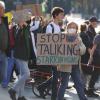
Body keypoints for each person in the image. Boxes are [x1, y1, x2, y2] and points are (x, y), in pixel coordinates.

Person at [37, 7, 64, 100]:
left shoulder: (58, 27)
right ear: (56, 15)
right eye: (61, 14)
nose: (62, 16)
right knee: (56, 76)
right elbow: (49, 43)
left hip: (57, 54)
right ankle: (54, 97)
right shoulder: (50, 27)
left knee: (57, 76)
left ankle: (41, 87)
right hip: (52, 55)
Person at [57, 22, 87, 100]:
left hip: (75, 65)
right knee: (64, 84)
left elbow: (83, 48)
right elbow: (61, 49)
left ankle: (83, 98)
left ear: (77, 29)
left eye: (74, 27)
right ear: (67, 28)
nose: (72, 29)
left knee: (79, 83)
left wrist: (79, 49)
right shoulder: (62, 36)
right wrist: (74, 44)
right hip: (66, 65)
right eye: (70, 27)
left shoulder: (78, 37)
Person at [8, 19, 31, 100]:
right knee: (27, 74)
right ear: (19, 22)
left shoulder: (23, 29)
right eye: (22, 21)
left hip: (24, 55)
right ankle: (13, 90)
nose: (24, 22)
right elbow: (20, 38)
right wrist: (23, 25)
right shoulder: (19, 29)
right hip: (21, 55)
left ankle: (21, 96)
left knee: (22, 75)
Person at [86, 16, 100, 97]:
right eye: (95, 22)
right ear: (91, 22)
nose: (96, 23)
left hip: (96, 56)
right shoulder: (91, 32)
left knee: (95, 74)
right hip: (96, 57)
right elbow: (91, 46)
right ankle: (89, 90)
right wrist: (91, 57)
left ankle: (90, 89)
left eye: (96, 22)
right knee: (95, 74)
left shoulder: (94, 31)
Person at [0, 1, 9, 86]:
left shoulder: (5, 20)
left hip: (4, 52)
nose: (4, 10)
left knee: (3, 75)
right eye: (3, 8)